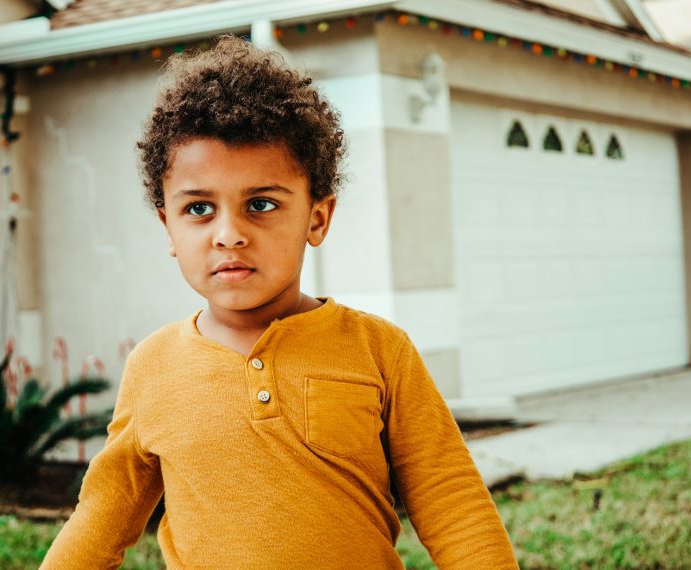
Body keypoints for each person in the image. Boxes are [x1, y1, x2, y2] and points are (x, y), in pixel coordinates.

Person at [40, 34, 519, 569]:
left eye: (261, 203)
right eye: (199, 209)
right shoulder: (154, 367)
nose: (228, 234)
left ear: (317, 218)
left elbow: (453, 502)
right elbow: (104, 515)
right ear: (168, 228)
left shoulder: (379, 351)